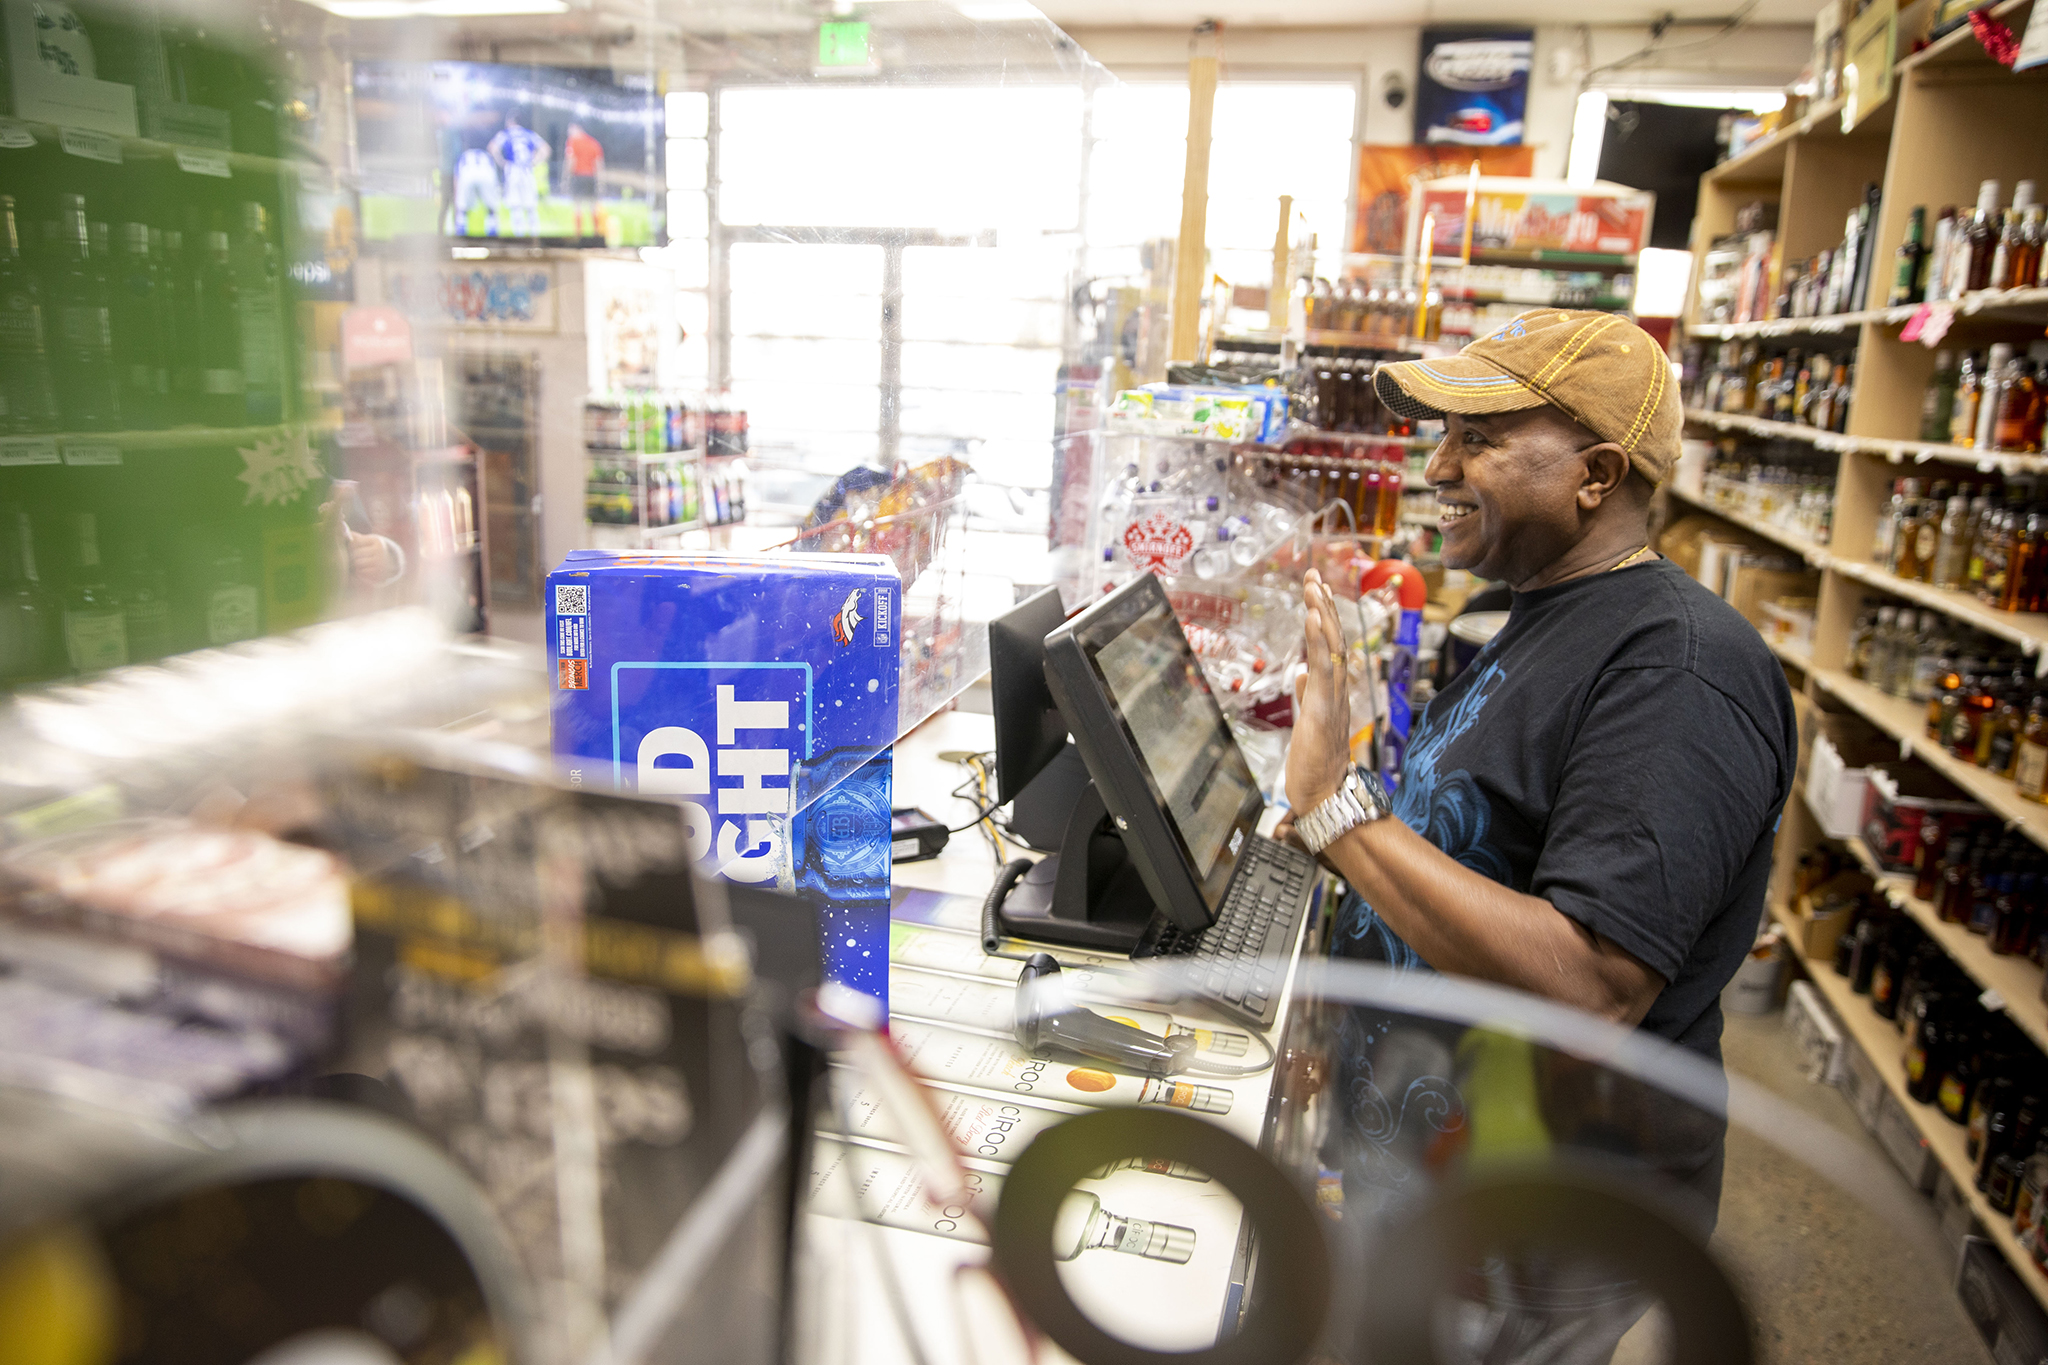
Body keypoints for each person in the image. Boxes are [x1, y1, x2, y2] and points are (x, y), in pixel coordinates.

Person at [1283, 308, 1795, 1178]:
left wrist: (1337, 810)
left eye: (1476, 439)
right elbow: (1480, 846)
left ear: (1596, 475)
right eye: (1443, 435)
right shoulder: (1549, 609)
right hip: (1436, 1172)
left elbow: (1589, 990)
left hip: (1530, 1230)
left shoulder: (1679, 672)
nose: (1436, 467)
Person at [488, 112, 548, 237]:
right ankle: (534, 238)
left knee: (516, 206)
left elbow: (492, 147)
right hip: (526, 170)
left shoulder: (505, 134)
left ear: (510, 121)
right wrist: (535, 162)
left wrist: (501, 162)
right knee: (531, 206)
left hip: (513, 170)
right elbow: (545, 149)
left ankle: (519, 237)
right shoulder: (529, 134)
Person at [562, 121, 605, 240]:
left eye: (570, 129)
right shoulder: (594, 143)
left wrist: (566, 178)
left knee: (577, 206)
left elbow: (571, 160)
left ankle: (578, 235)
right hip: (591, 177)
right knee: (593, 206)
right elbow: (599, 164)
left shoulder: (573, 141)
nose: (568, 133)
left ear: (576, 128)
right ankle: (597, 235)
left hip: (578, 176)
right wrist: (600, 182)